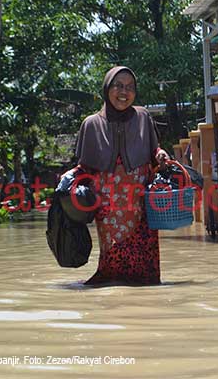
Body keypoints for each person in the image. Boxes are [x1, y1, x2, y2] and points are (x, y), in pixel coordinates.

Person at [73, 66, 168, 285]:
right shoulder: (91, 124)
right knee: (113, 255)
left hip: (140, 201)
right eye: (118, 86)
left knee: (145, 258)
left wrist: (160, 154)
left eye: (130, 87)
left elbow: (155, 151)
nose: (124, 92)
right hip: (108, 205)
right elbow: (84, 167)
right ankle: (113, 299)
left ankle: (144, 299)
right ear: (107, 89)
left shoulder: (143, 117)